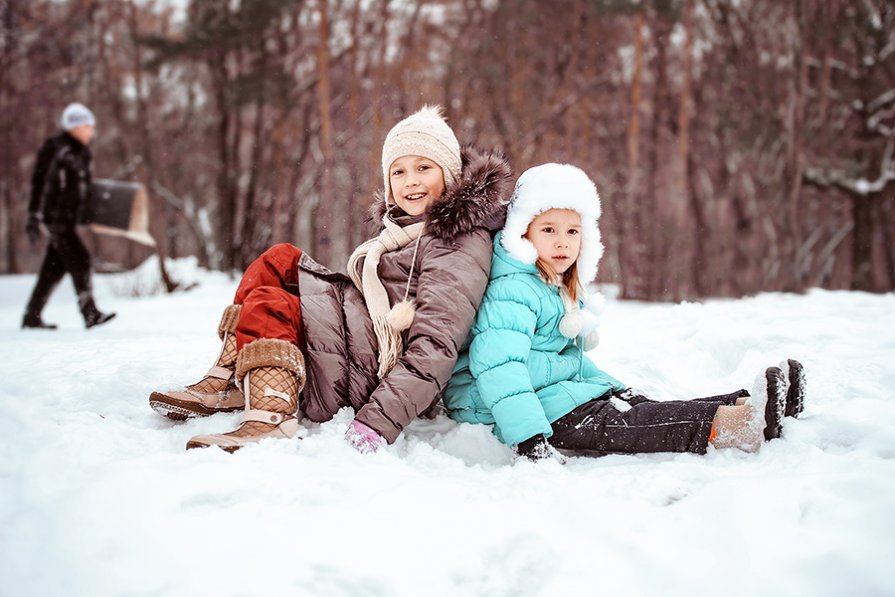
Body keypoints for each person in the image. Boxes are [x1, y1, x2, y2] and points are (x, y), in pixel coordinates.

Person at [149, 106, 513, 452]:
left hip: (366, 369)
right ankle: (231, 377)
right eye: (398, 172)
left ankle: (271, 419)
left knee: (269, 307)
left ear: (448, 174)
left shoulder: (457, 241)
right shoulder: (404, 231)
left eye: (423, 168)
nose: (410, 182)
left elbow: (436, 345)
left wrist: (377, 422)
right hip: (356, 338)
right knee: (279, 259)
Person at [443, 163, 806, 461]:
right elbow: (498, 368)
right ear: (524, 232)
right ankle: (740, 424)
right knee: (632, 423)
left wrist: (607, 387)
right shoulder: (514, 289)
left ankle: (743, 402)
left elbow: (561, 357)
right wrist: (529, 437)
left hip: (550, 391)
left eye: (572, 231)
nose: (561, 242)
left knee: (636, 405)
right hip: (508, 407)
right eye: (549, 229)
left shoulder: (553, 282)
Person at [22, 102, 116, 330]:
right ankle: (90, 313)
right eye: (87, 127)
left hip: (69, 218)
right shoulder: (55, 148)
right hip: (54, 216)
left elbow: (82, 188)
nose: (91, 132)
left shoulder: (83, 153)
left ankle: (31, 316)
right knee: (81, 260)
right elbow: (39, 181)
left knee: (53, 268)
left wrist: (89, 213)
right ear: (74, 127)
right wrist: (34, 215)